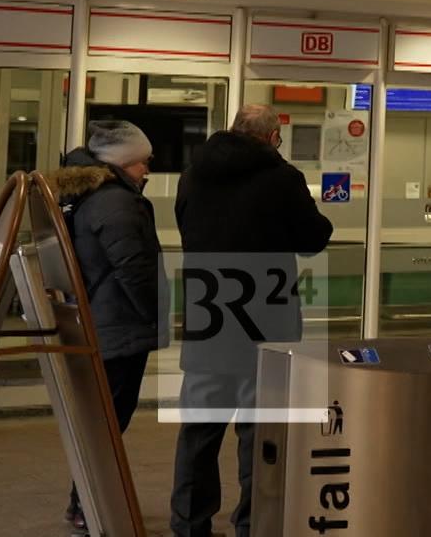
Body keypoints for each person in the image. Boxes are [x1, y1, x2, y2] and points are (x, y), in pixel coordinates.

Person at [171, 104, 334, 537]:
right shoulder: (282, 178)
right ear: (270, 136)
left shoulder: (193, 176)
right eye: (278, 137)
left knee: (198, 435)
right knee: (258, 436)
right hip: (266, 326)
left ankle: (189, 526)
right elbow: (313, 238)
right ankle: (252, 525)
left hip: (209, 321)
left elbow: (188, 230)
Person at [53, 121, 166, 535]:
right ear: (123, 162)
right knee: (109, 421)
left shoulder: (84, 194)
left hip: (98, 322)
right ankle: (88, 504)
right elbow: (133, 267)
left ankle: (82, 500)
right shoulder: (116, 202)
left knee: (101, 419)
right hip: (116, 326)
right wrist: (153, 314)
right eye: (142, 163)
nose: (147, 171)